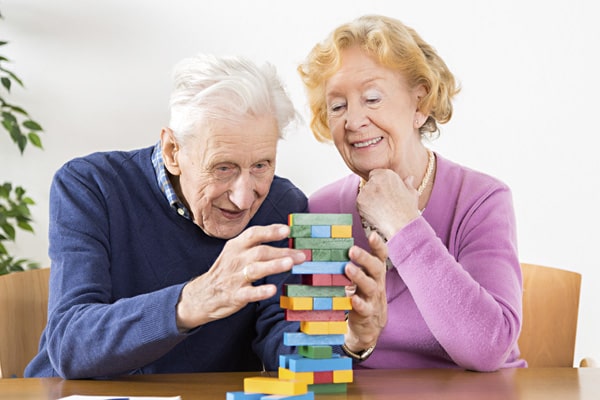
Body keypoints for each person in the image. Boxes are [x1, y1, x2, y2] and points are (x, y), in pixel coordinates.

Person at [25, 54, 309, 379]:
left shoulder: (284, 206)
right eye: (223, 168)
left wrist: (343, 337)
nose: (244, 198)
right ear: (173, 151)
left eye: (261, 166)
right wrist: (192, 301)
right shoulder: (91, 186)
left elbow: (287, 351)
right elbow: (70, 346)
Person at [297, 15, 526, 371]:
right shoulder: (322, 210)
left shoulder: (481, 200)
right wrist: (355, 341)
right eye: (337, 106)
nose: (353, 121)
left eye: (372, 98)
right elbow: (314, 360)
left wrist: (403, 223)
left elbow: (488, 349)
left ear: (420, 104)